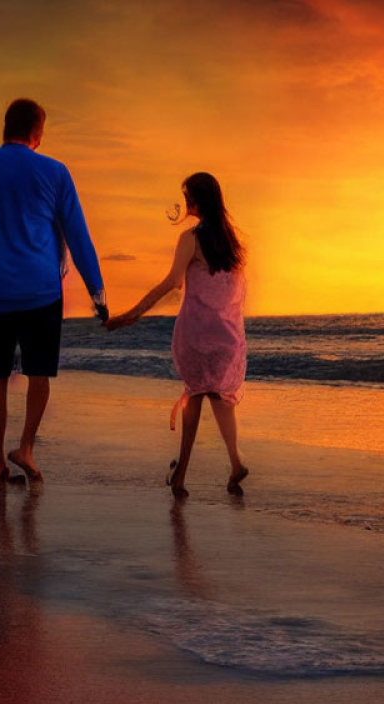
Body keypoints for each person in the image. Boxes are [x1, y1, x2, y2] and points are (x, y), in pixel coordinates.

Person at [0, 98, 108, 482]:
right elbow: (78, 234)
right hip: (41, 292)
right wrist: (97, 291)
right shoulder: (55, 172)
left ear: (5, 127)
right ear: (38, 133)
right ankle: (26, 448)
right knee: (39, 375)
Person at [106, 172, 247, 498]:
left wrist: (131, 315)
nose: (186, 204)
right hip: (228, 334)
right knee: (221, 400)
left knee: (195, 396)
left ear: (196, 201)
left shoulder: (191, 238)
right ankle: (235, 461)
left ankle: (181, 475)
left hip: (198, 333)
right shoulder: (233, 245)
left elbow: (172, 283)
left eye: (188, 197)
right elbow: (236, 294)